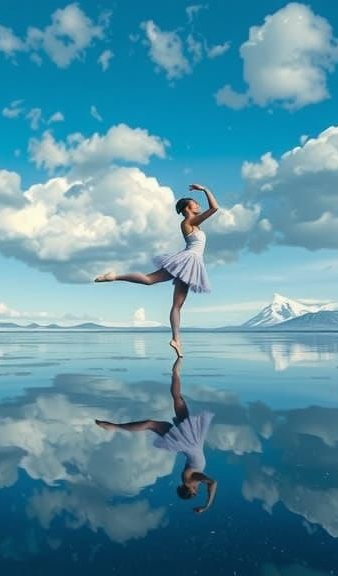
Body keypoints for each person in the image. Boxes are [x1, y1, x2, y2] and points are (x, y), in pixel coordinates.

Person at [94, 184, 218, 358]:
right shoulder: (188, 222)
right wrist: (205, 189)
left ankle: (176, 340)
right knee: (149, 280)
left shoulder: (195, 225)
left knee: (176, 304)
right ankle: (114, 276)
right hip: (187, 260)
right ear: (187, 208)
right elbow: (215, 208)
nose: (198, 206)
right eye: (195, 203)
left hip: (192, 262)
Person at [95, 358, 217, 513]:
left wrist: (207, 505)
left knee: (153, 421)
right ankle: (176, 372)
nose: (197, 490)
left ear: (190, 490)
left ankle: (115, 427)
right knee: (171, 404)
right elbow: (206, 481)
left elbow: (213, 483)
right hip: (189, 440)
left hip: (188, 440)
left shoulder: (190, 479)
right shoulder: (189, 480)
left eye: (195, 492)